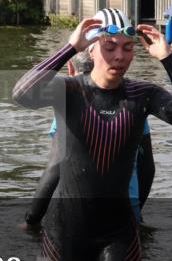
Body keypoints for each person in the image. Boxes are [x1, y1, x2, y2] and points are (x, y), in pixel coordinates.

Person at [11, 8, 172, 261]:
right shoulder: (68, 90)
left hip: (119, 232)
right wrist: (69, 48)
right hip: (66, 231)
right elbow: (21, 93)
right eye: (110, 47)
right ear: (92, 50)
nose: (120, 56)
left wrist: (168, 59)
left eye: (128, 48)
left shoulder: (142, 95)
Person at [21, 50, 155, 233]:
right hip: (124, 209)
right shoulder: (133, 107)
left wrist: (32, 219)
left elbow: (55, 167)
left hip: (78, 210)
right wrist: (135, 209)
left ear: (70, 69)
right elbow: (147, 168)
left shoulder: (69, 103)